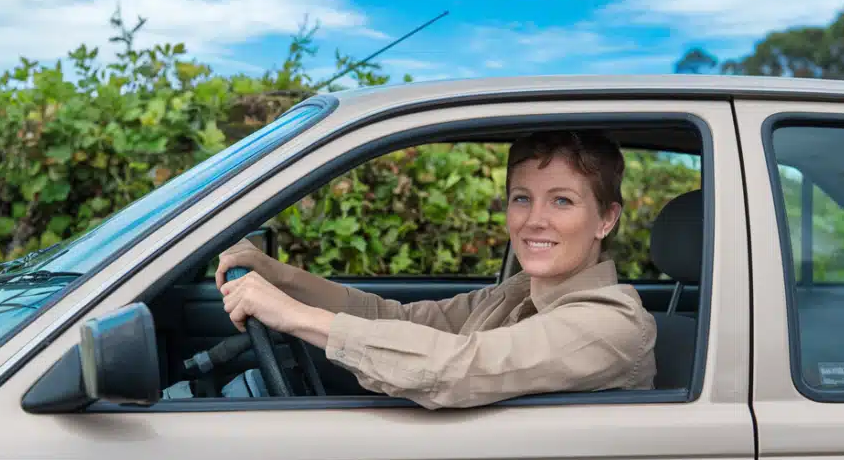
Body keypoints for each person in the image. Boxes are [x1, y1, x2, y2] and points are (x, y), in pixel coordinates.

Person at [214, 130, 657, 409]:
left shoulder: (611, 323)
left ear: (606, 219)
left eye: (562, 200)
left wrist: (290, 315)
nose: (534, 219)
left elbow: (458, 368)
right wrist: (278, 275)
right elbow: (396, 319)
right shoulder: (519, 292)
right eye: (522, 198)